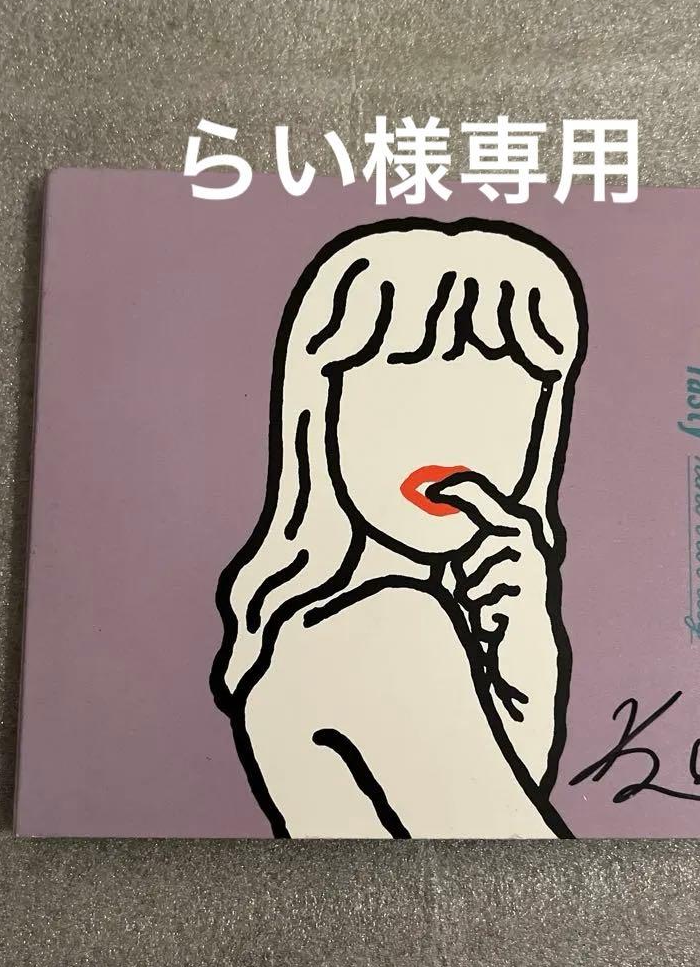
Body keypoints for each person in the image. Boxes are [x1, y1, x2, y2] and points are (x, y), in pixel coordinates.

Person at [211, 218, 588, 837]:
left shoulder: (336, 623)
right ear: (323, 408)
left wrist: (527, 651)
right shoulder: (388, 623)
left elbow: (498, 800)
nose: (448, 435)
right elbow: (504, 841)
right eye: (400, 381)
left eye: (500, 395)